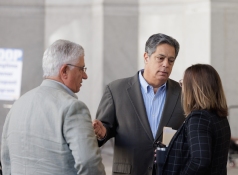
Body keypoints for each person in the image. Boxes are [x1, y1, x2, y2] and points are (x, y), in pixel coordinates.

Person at [1, 40, 106, 175]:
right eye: (82, 69)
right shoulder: (73, 108)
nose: (85, 76)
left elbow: (6, 160)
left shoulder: (17, 105)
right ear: (64, 71)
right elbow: (89, 164)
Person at [93, 33, 185, 175]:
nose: (166, 64)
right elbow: (103, 130)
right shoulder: (116, 90)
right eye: (160, 58)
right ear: (146, 57)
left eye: (171, 60)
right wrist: (101, 133)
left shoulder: (182, 93)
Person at [162, 64, 231, 175]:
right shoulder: (218, 117)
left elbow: (200, 161)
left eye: (182, 84)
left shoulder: (199, 119)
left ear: (193, 89)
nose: (182, 89)